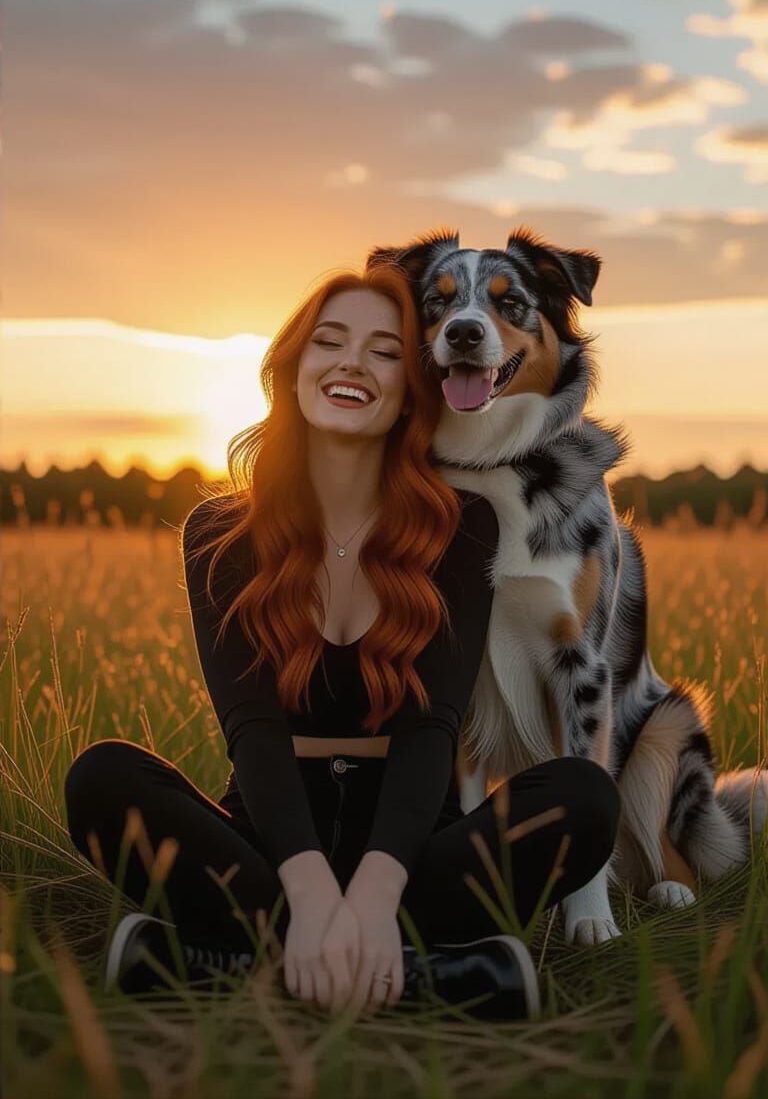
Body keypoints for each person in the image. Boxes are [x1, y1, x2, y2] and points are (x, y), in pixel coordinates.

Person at [64, 265, 621, 1020]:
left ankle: (211, 959)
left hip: (414, 838)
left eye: (385, 351)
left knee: (584, 796)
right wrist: (317, 894)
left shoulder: (462, 526)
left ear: (409, 389)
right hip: (270, 832)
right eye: (329, 342)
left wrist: (369, 897)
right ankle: (441, 975)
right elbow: (252, 731)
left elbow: (434, 728)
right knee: (102, 777)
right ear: (295, 369)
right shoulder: (218, 535)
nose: (353, 362)